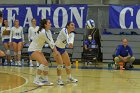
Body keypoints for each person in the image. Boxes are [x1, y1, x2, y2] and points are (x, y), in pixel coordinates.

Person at [28, 19, 63, 86]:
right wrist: (56, 52)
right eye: (49, 23)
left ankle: (46, 80)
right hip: (32, 50)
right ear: (45, 25)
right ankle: (36, 80)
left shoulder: (48, 31)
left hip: (38, 50)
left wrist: (55, 51)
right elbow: (51, 43)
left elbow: (52, 42)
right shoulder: (43, 32)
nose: (50, 24)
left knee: (46, 64)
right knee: (44, 63)